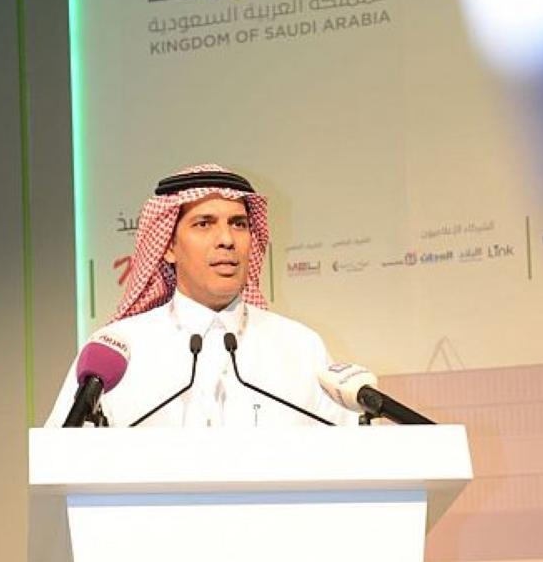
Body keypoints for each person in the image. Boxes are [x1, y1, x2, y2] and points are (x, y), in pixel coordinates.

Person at [47, 164, 357, 428]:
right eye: (204, 224)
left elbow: (354, 452)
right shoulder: (117, 352)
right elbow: (62, 457)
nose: (226, 239)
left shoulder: (301, 347)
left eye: (238, 224)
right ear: (168, 247)